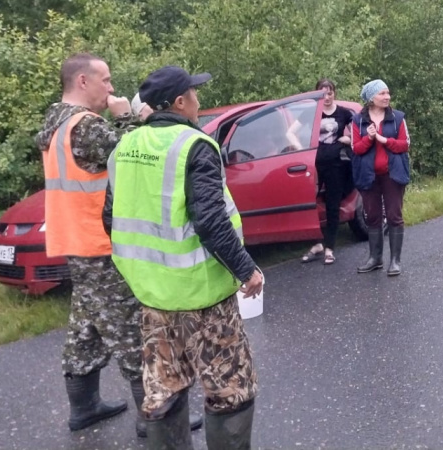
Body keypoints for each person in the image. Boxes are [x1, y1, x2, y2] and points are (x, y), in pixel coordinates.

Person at [35, 53, 203, 437]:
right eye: (106, 81)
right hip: (99, 242)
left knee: (86, 326)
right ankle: (154, 416)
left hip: (74, 239)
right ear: (82, 81)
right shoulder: (87, 126)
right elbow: (133, 157)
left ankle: (85, 406)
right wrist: (127, 115)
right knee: (132, 329)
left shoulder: (55, 119)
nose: (111, 88)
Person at [103, 65, 262, 449]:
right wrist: (246, 269)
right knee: (230, 388)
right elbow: (210, 219)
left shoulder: (125, 147)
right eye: (193, 93)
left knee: (163, 387)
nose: (198, 100)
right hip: (202, 294)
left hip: (153, 296)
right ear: (178, 102)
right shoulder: (194, 146)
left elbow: (110, 216)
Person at [351, 79, 411, 276]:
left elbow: (404, 145)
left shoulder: (398, 118)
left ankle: (395, 261)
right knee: (372, 216)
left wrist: (383, 139)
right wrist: (369, 138)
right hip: (368, 176)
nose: (387, 97)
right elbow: (356, 149)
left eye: (388, 93)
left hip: (392, 174)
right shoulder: (358, 121)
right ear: (371, 98)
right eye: (382, 94)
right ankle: (375, 258)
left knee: (394, 215)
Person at [300, 79, 354, 265]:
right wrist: (301, 149)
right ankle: (317, 244)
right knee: (310, 205)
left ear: (334, 93)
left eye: (330, 93)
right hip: (313, 166)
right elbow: (291, 132)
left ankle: (329, 248)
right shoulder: (311, 114)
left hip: (336, 165)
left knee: (332, 207)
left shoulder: (343, 113)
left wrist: (349, 138)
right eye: (323, 93)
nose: (327, 97)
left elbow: (360, 130)